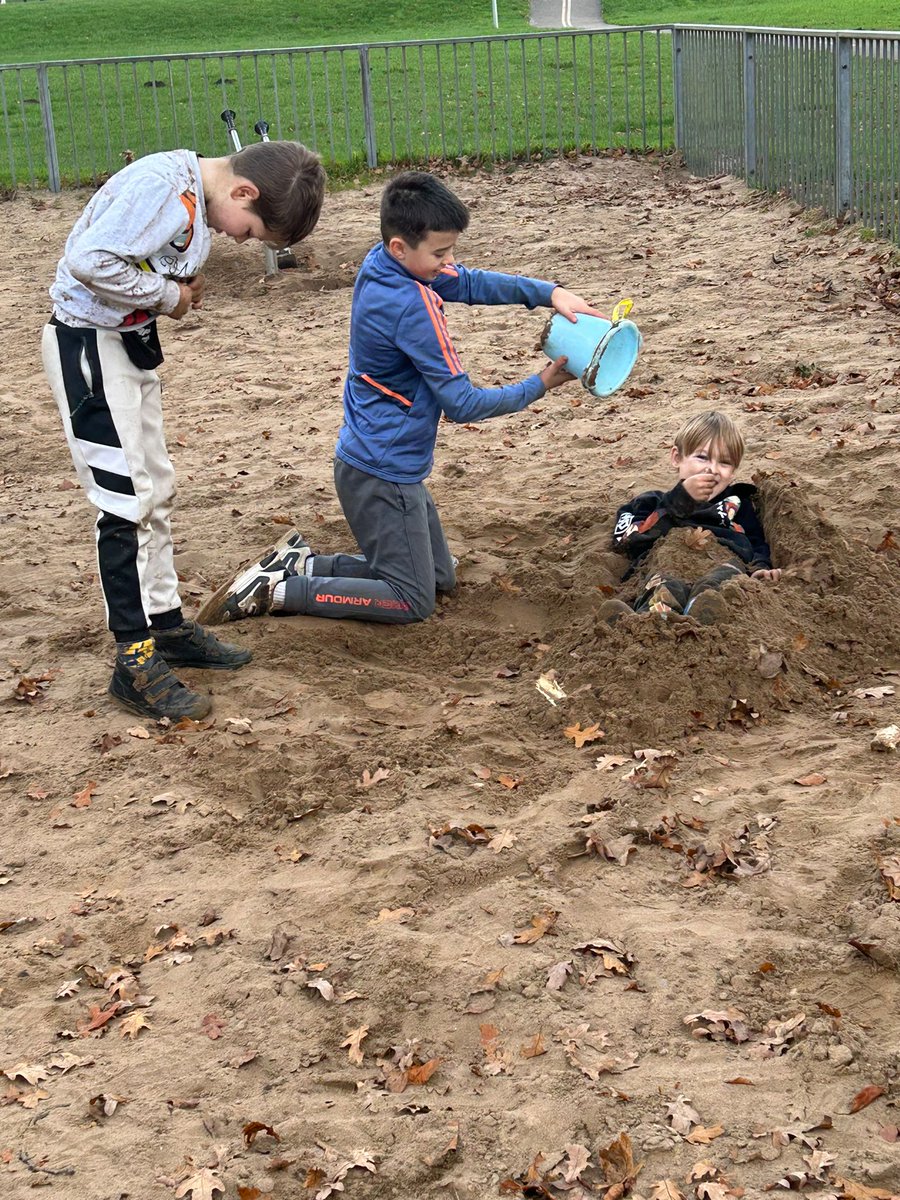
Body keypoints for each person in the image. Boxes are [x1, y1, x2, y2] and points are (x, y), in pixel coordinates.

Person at [200, 170, 600, 630]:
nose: (449, 262)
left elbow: (468, 282)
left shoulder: (383, 263)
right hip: (384, 474)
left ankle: (305, 564)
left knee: (436, 578)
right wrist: (541, 384)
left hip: (372, 460)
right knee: (413, 600)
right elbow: (462, 404)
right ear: (400, 247)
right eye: (440, 252)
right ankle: (281, 590)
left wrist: (548, 292)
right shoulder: (413, 306)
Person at [42, 141, 326, 719]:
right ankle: (134, 660)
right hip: (88, 346)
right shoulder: (167, 189)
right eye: (249, 232)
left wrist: (178, 286)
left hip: (128, 343)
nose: (240, 240)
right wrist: (170, 295)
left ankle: (167, 627)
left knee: (155, 488)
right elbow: (89, 261)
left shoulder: (198, 196)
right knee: (123, 500)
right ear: (243, 191)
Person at [601, 410, 781, 625]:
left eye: (724, 462)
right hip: (667, 561)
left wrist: (761, 567)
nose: (712, 469)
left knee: (718, 585)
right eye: (702, 457)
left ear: (733, 472)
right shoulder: (650, 502)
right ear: (677, 457)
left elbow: (756, 541)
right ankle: (641, 624)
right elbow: (626, 541)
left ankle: (703, 613)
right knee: (664, 585)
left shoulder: (738, 502)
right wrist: (681, 499)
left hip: (724, 560)